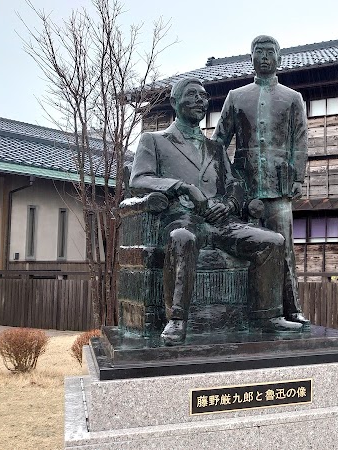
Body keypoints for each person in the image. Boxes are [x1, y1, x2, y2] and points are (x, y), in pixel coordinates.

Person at [130, 77, 303, 345]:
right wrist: (183, 187)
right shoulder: (154, 140)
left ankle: (267, 316)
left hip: (222, 221)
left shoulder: (216, 147)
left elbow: (235, 183)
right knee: (182, 238)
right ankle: (177, 319)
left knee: (273, 241)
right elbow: (139, 179)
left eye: (203, 96)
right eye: (192, 95)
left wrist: (230, 204)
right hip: (183, 219)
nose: (200, 100)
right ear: (174, 102)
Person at [214, 35, 310, 328]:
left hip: (279, 187)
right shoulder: (236, 96)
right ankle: (244, 311)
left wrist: (297, 177)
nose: (265, 57)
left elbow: (300, 141)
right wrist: (226, 181)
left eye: (270, 52)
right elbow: (218, 143)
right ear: (251, 57)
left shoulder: (292, 98)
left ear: (279, 58)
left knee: (284, 249)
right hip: (244, 188)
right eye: (259, 52)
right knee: (244, 249)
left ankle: (291, 308)